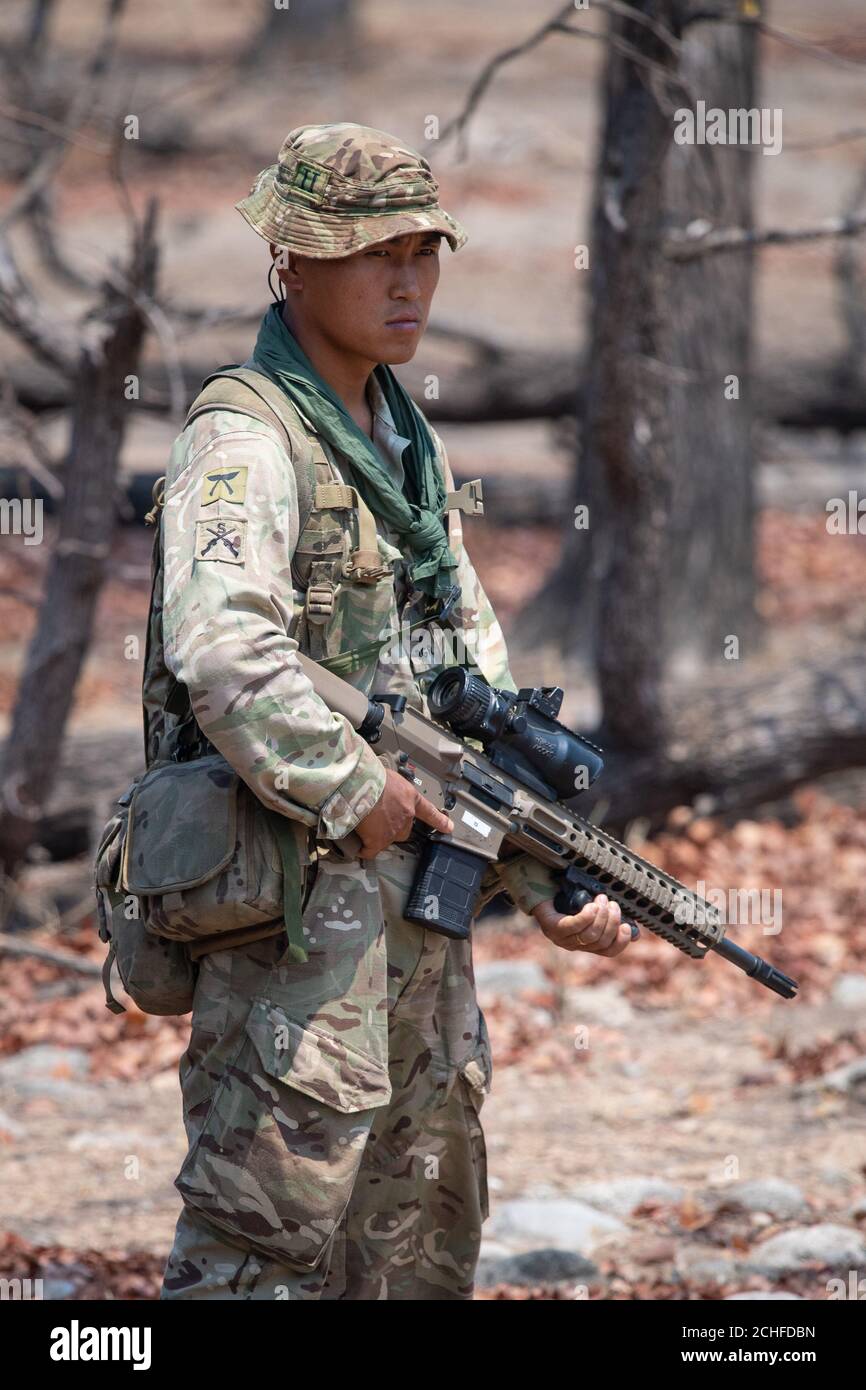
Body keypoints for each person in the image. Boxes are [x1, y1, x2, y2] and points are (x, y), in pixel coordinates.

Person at [155, 122, 634, 1301]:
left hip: (418, 940)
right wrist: (357, 786)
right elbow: (221, 650)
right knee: (257, 1254)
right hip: (291, 933)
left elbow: (470, 701)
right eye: (374, 251)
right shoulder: (245, 438)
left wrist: (541, 879)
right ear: (292, 263)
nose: (408, 277)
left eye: (424, 249)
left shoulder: (405, 449)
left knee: (415, 1248)